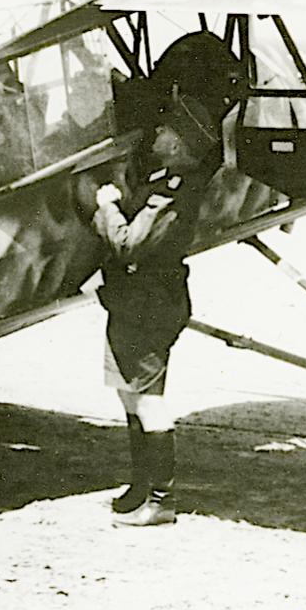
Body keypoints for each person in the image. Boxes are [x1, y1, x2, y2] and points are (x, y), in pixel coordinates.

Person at [92, 92, 220, 526]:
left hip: (148, 304)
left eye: (167, 131)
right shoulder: (163, 180)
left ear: (179, 145)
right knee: (130, 396)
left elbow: (129, 242)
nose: (158, 134)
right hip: (131, 301)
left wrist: (106, 206)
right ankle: (140, 486)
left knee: (149, 399)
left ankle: (161, 502)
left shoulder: (171, 193)